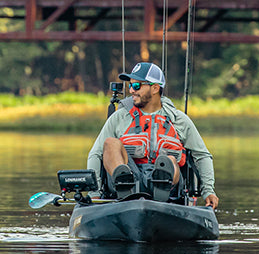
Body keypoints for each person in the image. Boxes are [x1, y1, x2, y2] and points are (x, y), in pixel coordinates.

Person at [86, 61, 219, 208]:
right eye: (130, 85)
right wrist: (94, 193)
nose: (131, 90)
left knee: (169, 160)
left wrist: (208, 191)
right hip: (131, 179)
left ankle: (160, 188)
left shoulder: (179, 120)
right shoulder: (120, 117)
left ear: (155, 88)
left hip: (169, 187)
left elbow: (202, 155)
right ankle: (125, 187)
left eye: (136, 86)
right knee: (110, 143)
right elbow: (95, 154)